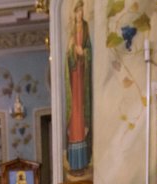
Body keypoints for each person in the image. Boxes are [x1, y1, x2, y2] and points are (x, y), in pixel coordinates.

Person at [65, 0, 92, 173]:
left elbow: (89, 50)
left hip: (83, 76)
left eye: (81, 10)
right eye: (77, 11)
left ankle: (84, 160)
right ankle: (74, 162)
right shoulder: (71, 32)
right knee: (75, 112)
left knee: (82, 110)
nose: (79, 14)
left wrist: (84, 53)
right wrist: (73, 53)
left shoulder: (87, 28)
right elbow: (68, 55)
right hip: (74, 75)